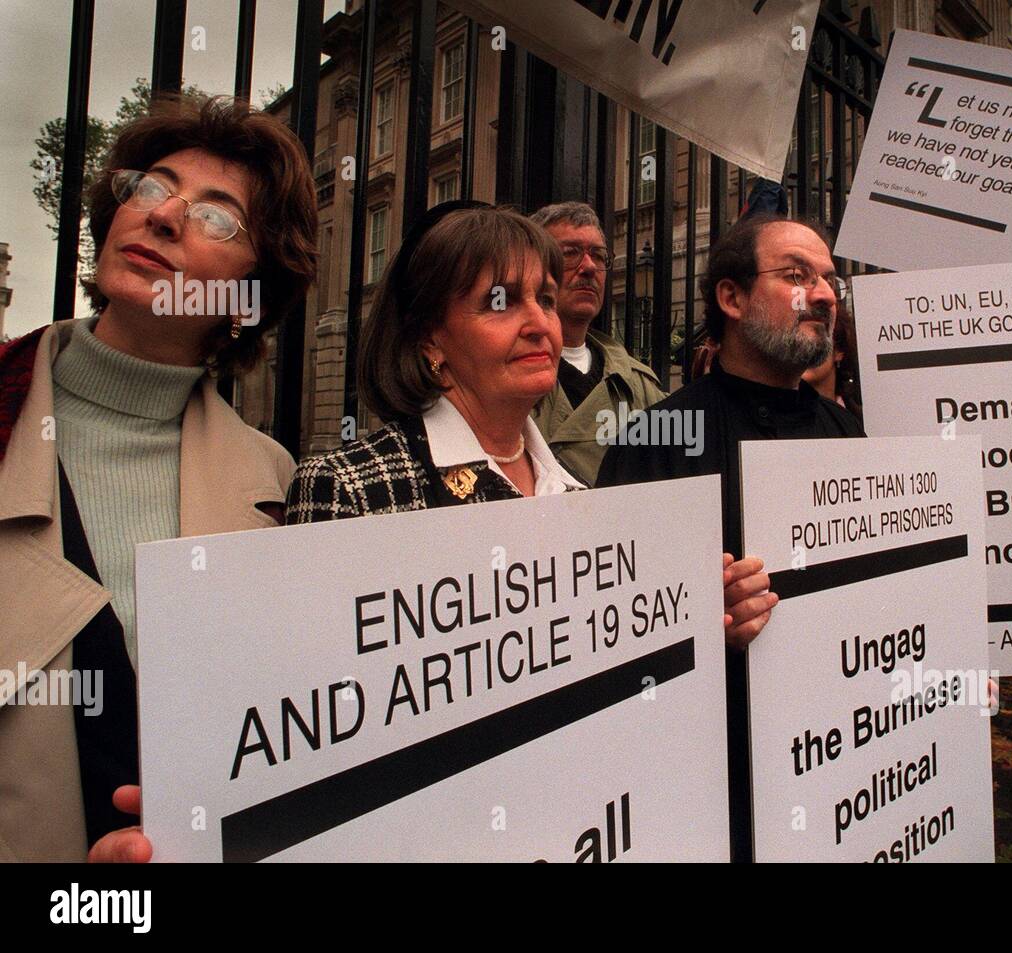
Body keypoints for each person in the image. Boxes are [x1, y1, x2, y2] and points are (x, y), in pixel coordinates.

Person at [0, 94, 318, 862]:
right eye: (151, 186)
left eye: (217, 216)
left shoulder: (274, 479)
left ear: (248, 299)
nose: (165, 214)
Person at [597, 213, 864, 861]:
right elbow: (609, 635)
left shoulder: (849, 434)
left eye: (829, 279)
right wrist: (704, 622)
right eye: (797, 275)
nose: (825, 294)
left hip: (844, 768)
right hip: (710, 792)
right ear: (731, 297)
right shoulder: (653, 440)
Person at [286, 203, 584, 520]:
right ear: (429, 339)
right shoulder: (345, 488)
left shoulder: (575, 487)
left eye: (546, 300)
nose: (540, 325)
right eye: (501, 302)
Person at [528, 202, 664, 486]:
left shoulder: (640, 386)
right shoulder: (507, 372)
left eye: (599, 256)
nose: (589, 267)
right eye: (570, 253)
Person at [801, 305, 862, 425]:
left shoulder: (861, 420)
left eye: (814, 341)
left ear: (838, 350)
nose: (803, 352)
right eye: (795, 343)